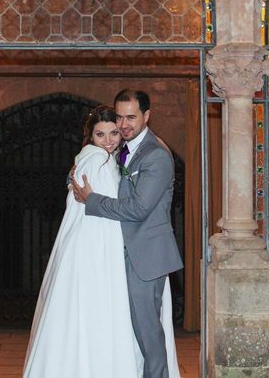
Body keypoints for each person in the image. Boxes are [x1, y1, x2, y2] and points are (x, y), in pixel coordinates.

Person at [23, 105, 179, 378]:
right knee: (103, 319)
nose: (108, 140)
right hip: (97, 250)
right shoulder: (98, 160)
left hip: (120, 251)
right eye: (100, 134)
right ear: (90, 136)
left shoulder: (110, 157)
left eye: (114, 133)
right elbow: (111, 208)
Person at [73, 90, 183, 378]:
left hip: (145, 257)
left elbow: (139, 208)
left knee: (148, 333)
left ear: (147, 116)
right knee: (130, 331)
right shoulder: (122, 148)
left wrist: (91, 199)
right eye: (119, 116)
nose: (123, 124)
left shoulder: (156, 155)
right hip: (123, 253)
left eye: (131, 117)